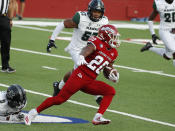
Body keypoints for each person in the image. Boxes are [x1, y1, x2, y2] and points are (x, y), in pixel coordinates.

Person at [24, 24, 120, 126]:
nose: (115, 39)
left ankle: (98, 117)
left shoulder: (114, 52)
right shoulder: (97, 42)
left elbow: (107, 67)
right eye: (113, 36)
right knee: (59, 99)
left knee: (110, 91)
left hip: (89, 81)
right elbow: (87, 49)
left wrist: (112, 74)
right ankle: (32, 113)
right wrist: (82, 56)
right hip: (79, 76)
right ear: (105, 36)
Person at [46, 0, 109, 105]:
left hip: (91, 50)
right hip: (76, 49)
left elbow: (104, 36)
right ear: (89, 10)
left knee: (75, 72)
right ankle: (97, 96)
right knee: (87, 69)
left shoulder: (104, 21)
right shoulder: (80, 17)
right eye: (94, 11)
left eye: (99, 12)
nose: (96, 14)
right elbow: (63, 24)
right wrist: (52, 40)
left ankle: (59, 86)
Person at [141, 0, 175, 67]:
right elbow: (151, 19)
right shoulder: (159, 3)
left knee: (167, 56)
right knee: (174, 51)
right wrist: (153, 34)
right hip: (165, 32)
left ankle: (149, 47)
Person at [0, 0, 16, 73]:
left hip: (4, 17)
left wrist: (10, 19)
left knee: (6, 42)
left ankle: (5, 66)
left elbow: (11, 3)